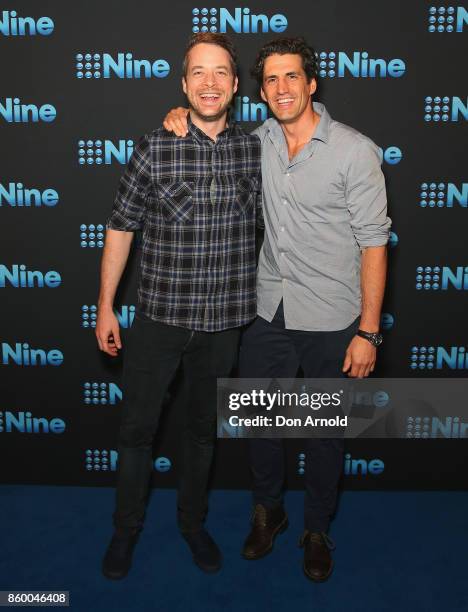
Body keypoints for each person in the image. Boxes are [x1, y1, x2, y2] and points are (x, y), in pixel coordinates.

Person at [163, 36, 391, 583]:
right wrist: (178, 115)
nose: (282, 88)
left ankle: (316, 528)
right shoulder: (256, 141)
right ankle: (270, 511)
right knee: (261, 425)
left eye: (292, 77)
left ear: (312, 84)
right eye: (271, 79)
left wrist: (369, 332)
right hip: (268, 310)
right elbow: (206, 128)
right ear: (259, 91)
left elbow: (375, 244)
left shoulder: (354, 151)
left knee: (323, 434)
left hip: (334, 316)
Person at [95, 32, 262, 579]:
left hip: (222, 327)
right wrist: (105, 305)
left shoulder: (256, 148)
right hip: (161, 322)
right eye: (198, 73)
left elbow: (308, 119)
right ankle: (126, 531)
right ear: (183, 82)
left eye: (220, 73)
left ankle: (193, 525)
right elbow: (121, 227)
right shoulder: (154, 145)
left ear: (237, 86)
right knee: (137, 432)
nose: (209, 83)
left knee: (201, 435)